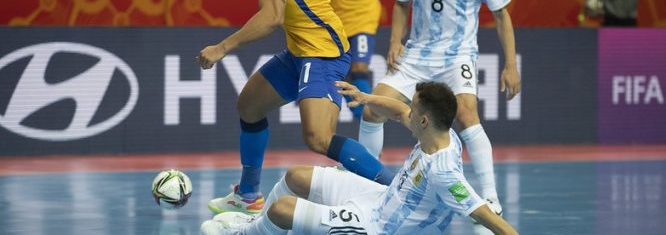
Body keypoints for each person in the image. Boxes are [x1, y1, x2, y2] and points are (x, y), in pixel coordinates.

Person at [197, 0, 394, 215]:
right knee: (248, 107)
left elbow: (272, 17)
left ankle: (395, 190)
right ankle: (247, 195)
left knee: (318, 137)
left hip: (324, 52)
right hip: (301, 51)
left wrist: (222, 47)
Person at [358, 0, 521, 216]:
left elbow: (502, 16)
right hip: (417, 55)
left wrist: (511, 65)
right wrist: (395, 41)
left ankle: (489, 198)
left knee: (466, 114)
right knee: (372, 109)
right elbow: (401, 4)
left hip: (456, 56)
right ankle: (368, 183)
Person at [200, 81, 520, 235]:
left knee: (283, 210)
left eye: (415, 110)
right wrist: (367, 98)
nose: (408, 112)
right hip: (380, 198)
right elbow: (399, 110)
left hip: (377, 228)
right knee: (296, 176)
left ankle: (246, 234)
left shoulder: (445, 173)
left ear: (424, 121)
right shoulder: (439, 131)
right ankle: (257, 222)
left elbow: (490, 219)